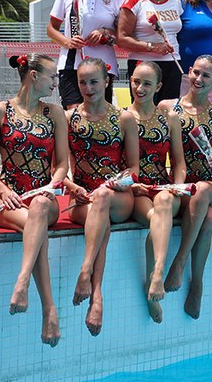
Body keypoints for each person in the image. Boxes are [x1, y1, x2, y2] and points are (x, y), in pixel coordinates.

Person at [0, 54, 68, 347]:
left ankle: (23, 281)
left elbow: (62, 164)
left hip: (44, 198)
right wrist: (3, 191)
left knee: (38, 207)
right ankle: (49, 310)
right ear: (33, 76)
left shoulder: (55, 114)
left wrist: (52, 185)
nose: (56, 83)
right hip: (8, 200)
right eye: (52, 76)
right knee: (34, 226)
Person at [64, 57, 139, 336]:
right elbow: (57, 169)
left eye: (94, 82)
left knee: (104, 198)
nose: (88, 88)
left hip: (118, 197)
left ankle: (85, 272)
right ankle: (96, 296)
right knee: (100, 215)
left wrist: (115, 183)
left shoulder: (124, 118)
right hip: (83, 199)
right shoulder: (68, 118)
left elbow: (134, 170)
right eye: (82, 82)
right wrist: (73, 188)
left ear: (107, 81)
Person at [160, 54, 212, 319]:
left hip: (211, 185)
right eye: (196, 73)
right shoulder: (168, 108)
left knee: (203, 190)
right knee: (209, 218)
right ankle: (198, 284)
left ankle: (179, 261)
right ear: (189, 71)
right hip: (181, 184)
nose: (199, 79)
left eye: (206, 76)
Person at [125, 61, 185, 323]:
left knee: (163, 202)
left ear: (158, 86)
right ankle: (154, 278)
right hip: (137, 191)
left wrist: (177, 185)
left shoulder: (169, 118)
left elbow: (179, 163)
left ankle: (156, 274)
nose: (140, 88)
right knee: (156, 218)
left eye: (147, 84)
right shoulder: (122, 117)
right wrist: (130, 185)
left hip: (164, 188)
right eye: (136, 82)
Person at [48, 0, 123, 109]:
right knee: (74, 113)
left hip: (103, 66)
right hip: (71, 64)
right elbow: (51, 29)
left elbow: (122, 36)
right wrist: (67, 42)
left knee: (100, 114)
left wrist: (105, 32)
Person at [118, 0, 183, 104]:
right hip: (143, 63)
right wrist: (152, 47)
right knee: (144, 110)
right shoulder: (134, 0)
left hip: (172, 63)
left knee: (169, 110)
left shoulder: (177, 0)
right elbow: (122, 38)